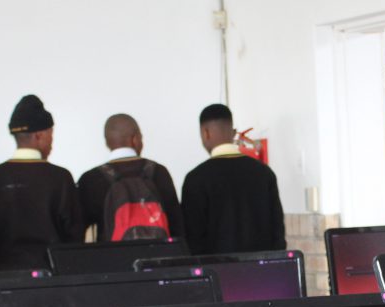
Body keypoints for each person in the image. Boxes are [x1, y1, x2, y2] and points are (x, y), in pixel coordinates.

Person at [0, 94, 84, 269]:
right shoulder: (60, 177)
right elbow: (74, 235)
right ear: (40, 135)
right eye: (51, 135)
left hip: (6, 278)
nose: (52, 142)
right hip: (51, 278)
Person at [181, 104, 286, 255]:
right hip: (262, 273)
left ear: (205, 133)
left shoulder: (195, 179)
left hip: (217, 274)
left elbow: (193, 240)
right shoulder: (263, 173)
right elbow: (278, 234)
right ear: (234, 132)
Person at [77, 113, 185, 242]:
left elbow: (79, 230)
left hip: (112, 259)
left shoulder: (90, 179)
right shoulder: (159, 172)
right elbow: (177, 225)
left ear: (107, 142)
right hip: (155, 257)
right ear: (135, 139)